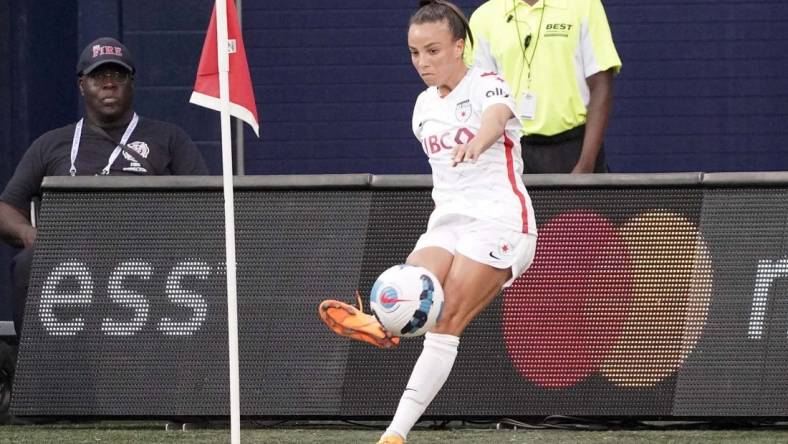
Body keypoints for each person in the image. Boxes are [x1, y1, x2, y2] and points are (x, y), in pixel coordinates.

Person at [319, 2, 537, 443]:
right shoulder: (421, 107)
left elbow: (496, 119)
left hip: (500, 220)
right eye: (415, 53)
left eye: (433, 51)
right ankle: (384, 324)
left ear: (460, 47)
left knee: (444, 321)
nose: (423, 62)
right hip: (448, 222)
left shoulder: (487, 84)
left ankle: (395, 434)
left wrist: (478, 139)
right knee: (405, 286)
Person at [0, 36, 209, 339]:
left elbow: (207, 205)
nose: (108, 84)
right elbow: (6, 208)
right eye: (98, 76)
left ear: (131, 83)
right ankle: (34, 368)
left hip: (149, 255)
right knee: (27, 263)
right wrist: (28, 234)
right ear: (82, 85)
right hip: (69, 256)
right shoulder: (51, 143)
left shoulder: (168, 138)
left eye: (118, 75)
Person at [467, 0, 622, 173]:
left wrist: (586, 163)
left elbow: (601, 84)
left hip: (576, 146)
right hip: (513, 148)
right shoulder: (483, 17)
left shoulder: (584, 5)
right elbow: (480, 94)